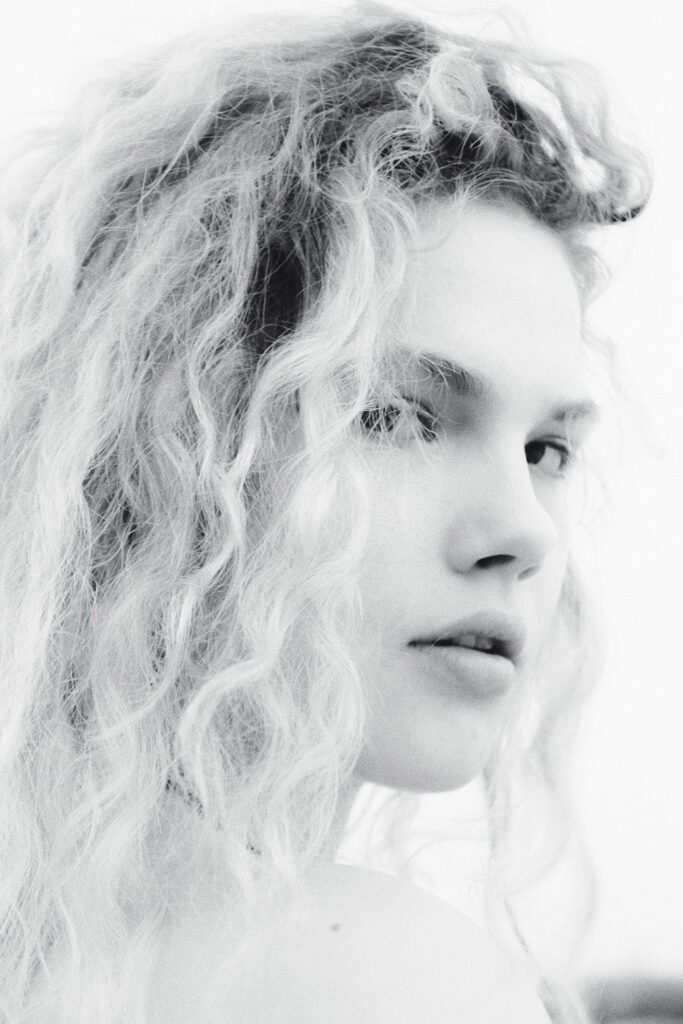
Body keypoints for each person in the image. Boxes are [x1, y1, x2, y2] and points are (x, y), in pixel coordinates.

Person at [0, 2, 650, 1021]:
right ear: (170, 445)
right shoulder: (387, 978)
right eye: (391, 414)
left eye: (544, 450)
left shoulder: (65, 952)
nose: (522, 531)